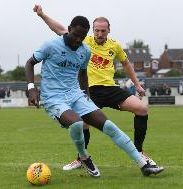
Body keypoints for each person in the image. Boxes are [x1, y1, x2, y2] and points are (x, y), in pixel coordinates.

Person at [25, 15, 163, 177]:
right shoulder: (51, 45)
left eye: (81, 37)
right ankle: (83, 157)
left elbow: (83, 75)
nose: (78, 40)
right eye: (75, 35)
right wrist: (31, 88)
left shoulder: (85, 50)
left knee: (110, 126)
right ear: (69, 30)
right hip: (54, 98)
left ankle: (143, 165)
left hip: (77, 95)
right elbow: (29, 63)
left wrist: (87, 98)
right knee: (77, 124)